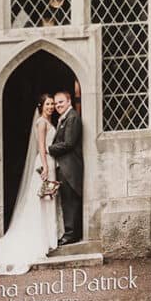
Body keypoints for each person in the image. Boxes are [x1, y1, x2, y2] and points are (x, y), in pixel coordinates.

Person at [0, 94, 60, 275]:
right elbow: (40, 146)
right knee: (41, 199)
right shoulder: (41, 123)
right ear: (41, 106)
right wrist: (45, 167)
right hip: (44, 163)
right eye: (48, 104)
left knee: (49, 198)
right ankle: (40, 238)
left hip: (51, 162)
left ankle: (50, 235)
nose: (51, 107)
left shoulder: (49, 121)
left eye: (52, 104)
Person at [48, 90, 84, 245]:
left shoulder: (73, 118)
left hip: (69, 167)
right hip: (63, 166)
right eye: (56, 103)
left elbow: (69, 143)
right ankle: (69, 232)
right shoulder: (64, 118)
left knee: (70, 200)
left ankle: (71, 235)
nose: (58, 106)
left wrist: (48, 149)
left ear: (69, 101)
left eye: (61, 102)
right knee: (66, 200)